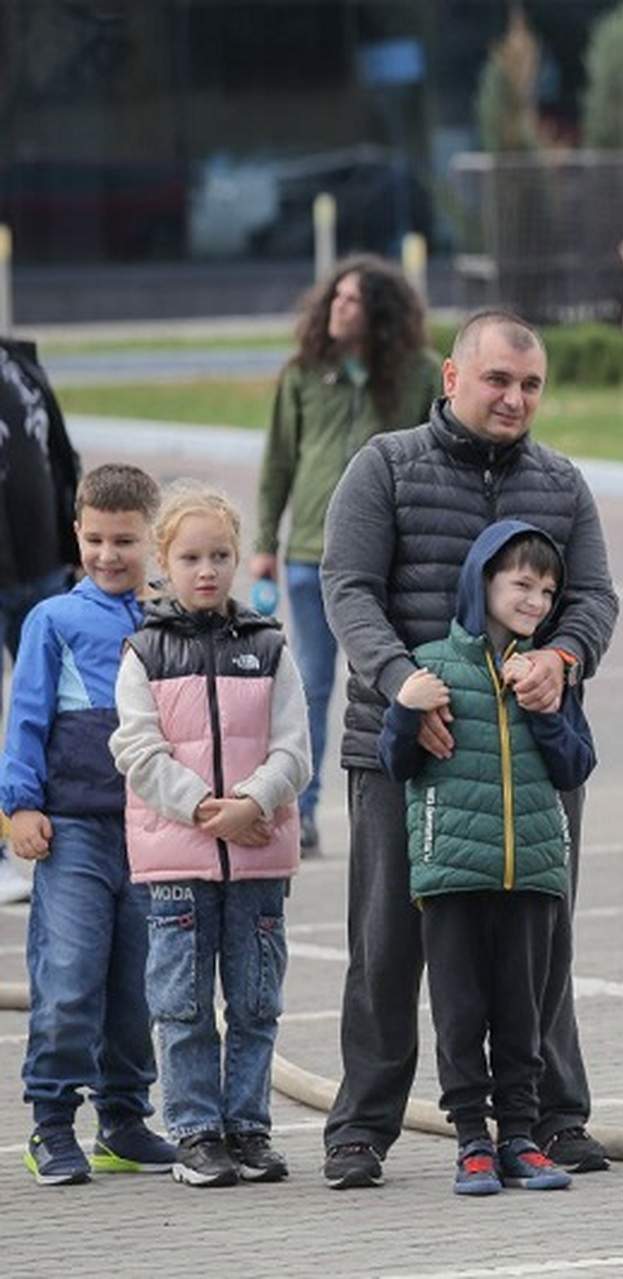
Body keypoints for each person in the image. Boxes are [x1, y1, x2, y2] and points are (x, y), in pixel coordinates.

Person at [319, 309, 620, 1189]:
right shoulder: (384, 467)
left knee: (541, 938)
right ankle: (362, 1127)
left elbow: (595, 595)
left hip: (533, 755)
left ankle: (555, 1120)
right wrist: (404, 683)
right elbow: (348, 586)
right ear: (452, 379)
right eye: (497, 380)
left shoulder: (562, 483)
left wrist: (563, 660)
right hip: (402, 751)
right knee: (386, 944)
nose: (515, 398)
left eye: (530, 385)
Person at [378, 521, 595, 1197]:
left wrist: (546, 706)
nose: (534, 599)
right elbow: (396, 763)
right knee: (461, 1011)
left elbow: (575, 764)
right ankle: (472, 1137)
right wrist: (404, 710)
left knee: (523, 1014)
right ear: (483, 583)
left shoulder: (551, 675)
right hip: (452, 878)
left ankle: (522, 1138)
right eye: (520, 584)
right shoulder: (432, 665)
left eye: (547, 590)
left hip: (529, 875)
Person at [109, 483, 312, 1188]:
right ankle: (195, 1130)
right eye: (191, 556)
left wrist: (254, 801)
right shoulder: (144, 652)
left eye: (221, 554)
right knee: (183, 1004)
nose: (207, 569)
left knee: (256, 1002)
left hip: (256, 861)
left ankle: (248, 1127)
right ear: (163, 561)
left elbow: (294, 747)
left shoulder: (269, 644)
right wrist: (203, 809)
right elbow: (137, 752)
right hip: (178, 865)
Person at [3, 464, 171, 1185]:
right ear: (77, 533)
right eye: (96, 538)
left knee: (140, 985)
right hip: (71, 831)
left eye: (125, 541)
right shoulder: (53, 620)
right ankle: (49, 1123)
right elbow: (28, 717)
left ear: (153, 540)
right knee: (69, 978)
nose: (108, 554)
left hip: (153, 834)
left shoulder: (169, 620)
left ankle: (124, 1119)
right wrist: (18, 806)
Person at [252, 256, 441, 859]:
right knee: (309, 685)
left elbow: (435, 460)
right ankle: (301, 813)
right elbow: (278, 462)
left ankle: (404, 804)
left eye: (354, 300)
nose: (338, 306)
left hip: (389, 563)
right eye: (335, 297)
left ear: (380, 313)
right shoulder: (304, 373)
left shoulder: (418, 375)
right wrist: (263, 545)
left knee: (392, 683)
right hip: (309, 555)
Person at [0, 336, 82, 905]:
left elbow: (57, 453)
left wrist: (74, 545)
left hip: (42, 570)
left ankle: (62, 840)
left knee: (52, 710)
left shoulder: (18, 363)